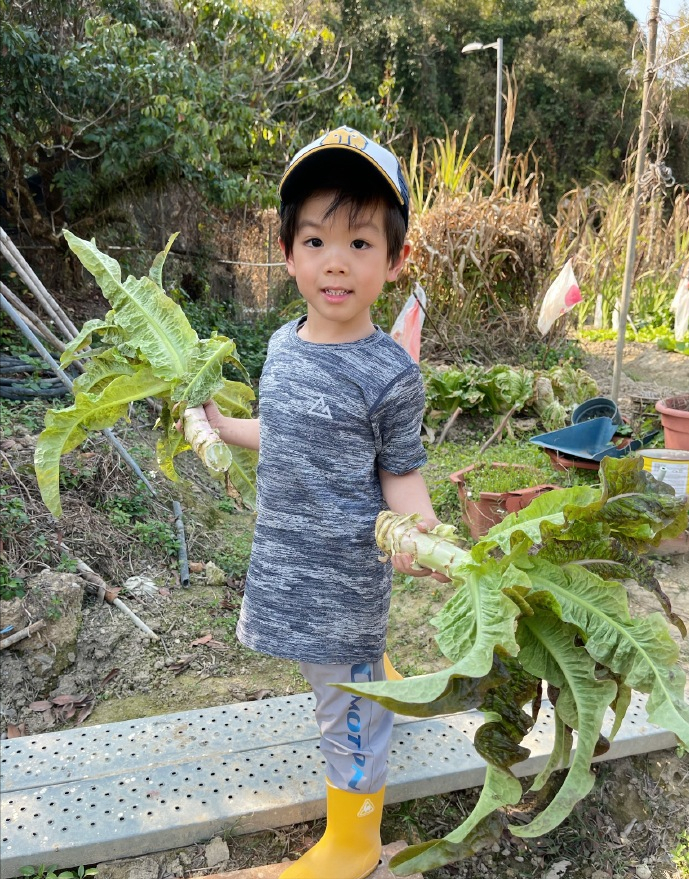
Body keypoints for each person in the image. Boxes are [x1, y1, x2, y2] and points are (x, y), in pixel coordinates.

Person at [192, 126, 446, 879]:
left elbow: (400, 472)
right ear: (288, 251)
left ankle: (352, 844)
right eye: (315, 240)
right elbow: (287, 431)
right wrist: (218, 424)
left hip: (342, 578)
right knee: (333, 674)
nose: (336, 260)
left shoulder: (390, 374)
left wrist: (421, 531)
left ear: (395, 260)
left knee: (344, 705)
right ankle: (382, 677)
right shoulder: (280, 345)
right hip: (286, 564)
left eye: (361, 243)